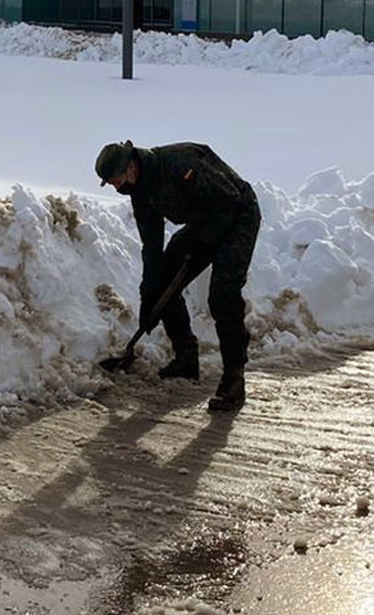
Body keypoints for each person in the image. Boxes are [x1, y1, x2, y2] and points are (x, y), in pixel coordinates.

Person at [94, 139, 262, 412]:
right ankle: (186, 358)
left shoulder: (178, 163)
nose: (116, 187)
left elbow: (229, 197)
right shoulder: (139, 191)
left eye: (115, 179)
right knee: (165, 276)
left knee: (223, 295)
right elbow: (151, 246)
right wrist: (150, 292)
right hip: (204, 222)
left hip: (238, 214)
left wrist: (208, 239)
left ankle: (234, 379)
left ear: (131, 166)